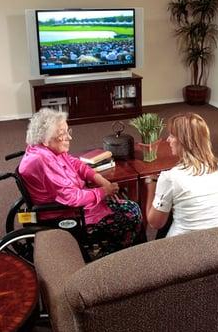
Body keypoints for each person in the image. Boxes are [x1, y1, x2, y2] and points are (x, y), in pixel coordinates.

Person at [19, 108, 144, 259]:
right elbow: (71, 198)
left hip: (73, 205)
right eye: (62, 134)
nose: (69, 137)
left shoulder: (46, 149)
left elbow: (75, 163)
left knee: (128, 206)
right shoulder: (44, 160)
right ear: (45, 139)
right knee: (133, 212)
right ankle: (109, 258)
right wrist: (103, 192)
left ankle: (134, 252)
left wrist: (101, 180)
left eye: (67, 131)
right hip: (68, 213)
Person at [145, 113, 218, 237]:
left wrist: (151, 185)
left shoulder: (170, 178)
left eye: (172, 136)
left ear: (184, 141)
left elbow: (155, 223)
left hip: (184, 247)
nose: (168, 140)